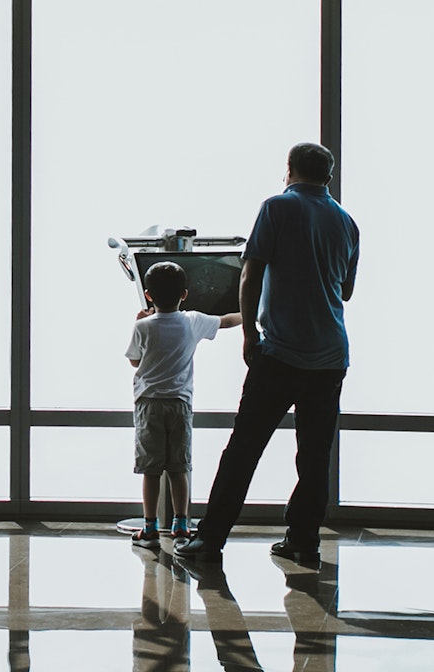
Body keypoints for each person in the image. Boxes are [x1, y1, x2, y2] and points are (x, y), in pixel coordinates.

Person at [176, 142, 359, 567]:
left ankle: (209, 540)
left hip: (281, 351)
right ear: (327, 177)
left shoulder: (276, 208)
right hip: (331, 355)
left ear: (290, 170)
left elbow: (251, 272)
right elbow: (346, 291)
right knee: (314, 457)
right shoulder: (347, 223)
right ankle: (302, 540)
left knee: (244, 449)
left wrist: (249, 335)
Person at [126, 261, 241, 548]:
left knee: (151, 470)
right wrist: (252, 310)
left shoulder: (142, 326)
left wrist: (139, 319)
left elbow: (135, 361)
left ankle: (150, 527)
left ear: (149, 295)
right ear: (185, 294)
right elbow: (226, 320)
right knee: (179, 468)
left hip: (149, 404)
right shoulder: (193, 321)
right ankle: (180, 524)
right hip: (179, 403)